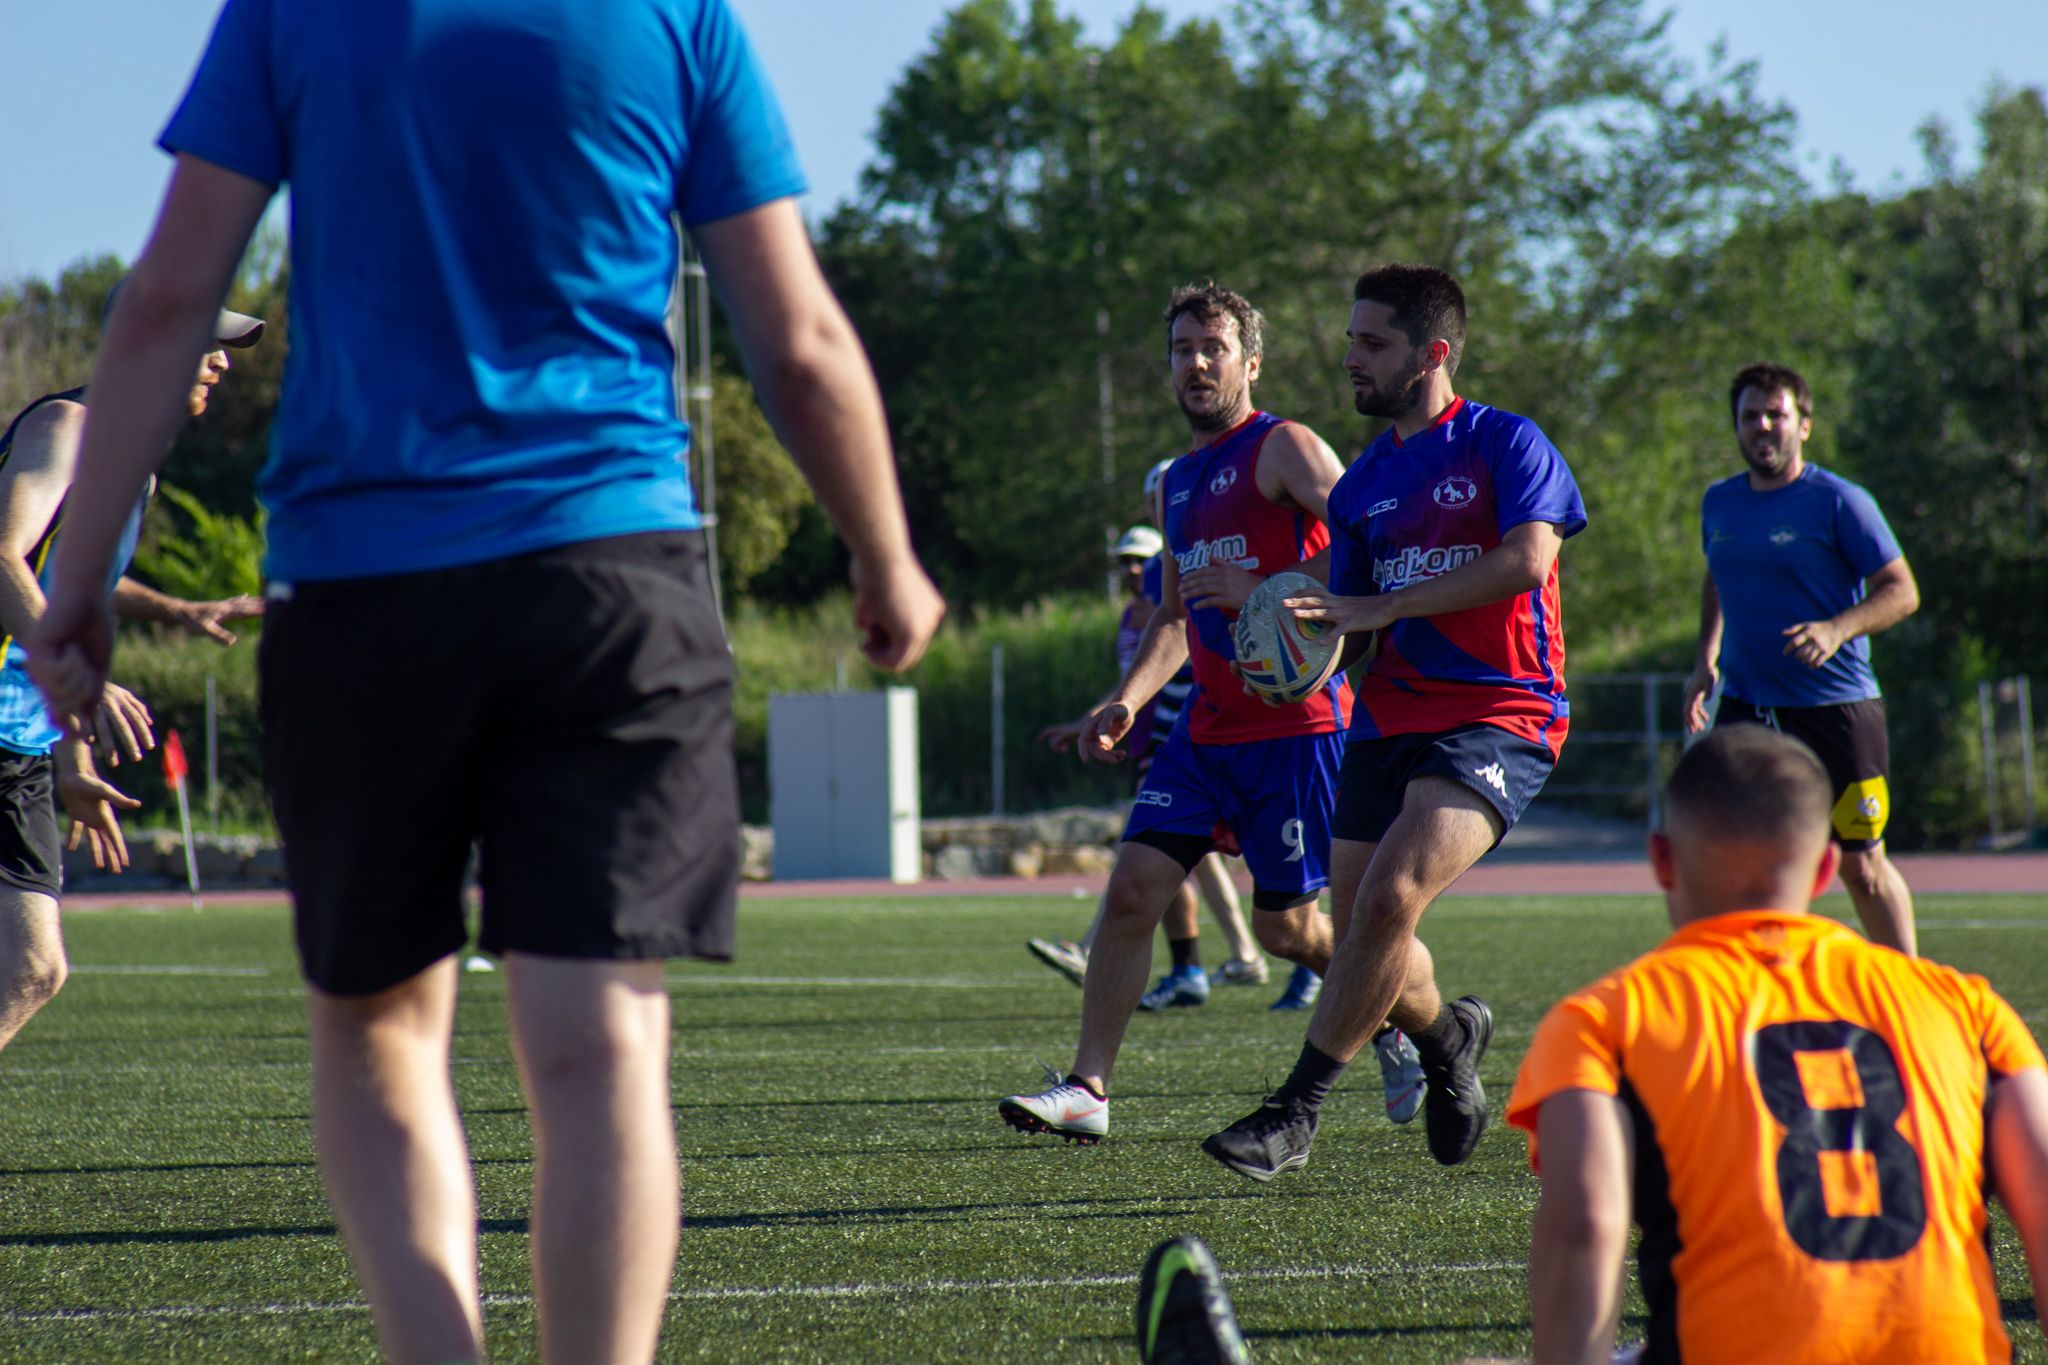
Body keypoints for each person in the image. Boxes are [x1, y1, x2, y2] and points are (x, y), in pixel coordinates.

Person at [30, 2, 944, 1360]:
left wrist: (80, 581)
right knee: (603, 1041)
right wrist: (881, 552)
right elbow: (796, 336)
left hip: (363, 584)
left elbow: (165, 300)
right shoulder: (677, 14)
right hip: (608, 576)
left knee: (382, 1031)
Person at [999, 281, 1423, 1146]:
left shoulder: (1284, 447)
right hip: (1204, 732)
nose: (1196, 364)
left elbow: (1374, 545)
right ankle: (1088, 1087)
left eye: (1213, 349)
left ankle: (1401, 1022)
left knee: (1288, 931)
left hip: (1296, 732)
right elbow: (1173, 615)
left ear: (1250, 363)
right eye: (1182, 350)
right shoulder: (1176, 483)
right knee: (1132, 891)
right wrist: (1126, 699)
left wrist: (1263, 587)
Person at [1204, 264, 1585, 1181]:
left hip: (1501, 711)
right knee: (1367, 931)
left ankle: (1295, 1112)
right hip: (1386, 720)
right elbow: (1354, 621)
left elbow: (1528, 560)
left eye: (1372, 343)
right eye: (1351, 341)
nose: (1352, 359)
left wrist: (1381, 606)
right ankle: (1450, 1038)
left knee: (1388, 898)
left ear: (1432, 353)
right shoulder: (1362, 484)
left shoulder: (1506, 442)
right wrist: (1291, 662)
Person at [1506, 725, 2048, 1364]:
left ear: (1661, 859)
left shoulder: (1604, 1020)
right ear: (1825, 868)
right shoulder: (1967, 1007)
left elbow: (1585, 1225)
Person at [0, 303, 266, 1052]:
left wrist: (176, 609)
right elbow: (3, 553)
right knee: (31, 963)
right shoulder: (68, 428)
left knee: (33, 969)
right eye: (208, 345)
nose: (222, 363)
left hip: (22, 743)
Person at [1681, 362, 1921, 957]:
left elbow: (1902, 591)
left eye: (1776, 415)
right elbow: (1718, 576)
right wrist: (1706, 658)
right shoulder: (1719, 503)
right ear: (1736, 427)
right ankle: (1758, 991)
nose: (1763, 426)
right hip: (1747, 709)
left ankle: (1914, 995)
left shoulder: (1839, 501)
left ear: (1804, 425)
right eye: (1750, 417)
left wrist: (1837, 628)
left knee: (1862, 868)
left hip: (1836, 710)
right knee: (1741, 859)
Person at [1029, 518, 1270, 1006]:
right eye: (1125, 562)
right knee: (1175, 853)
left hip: (1182, 737)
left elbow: (1187, 660)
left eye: (1141, 561)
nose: (1132, 570)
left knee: (1158, 846)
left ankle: (1104, 950)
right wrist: (1091, 718)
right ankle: (1214, 962)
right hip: (1149, 740)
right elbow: (1131, 680)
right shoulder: (1137, 614)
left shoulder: (1174, 599)